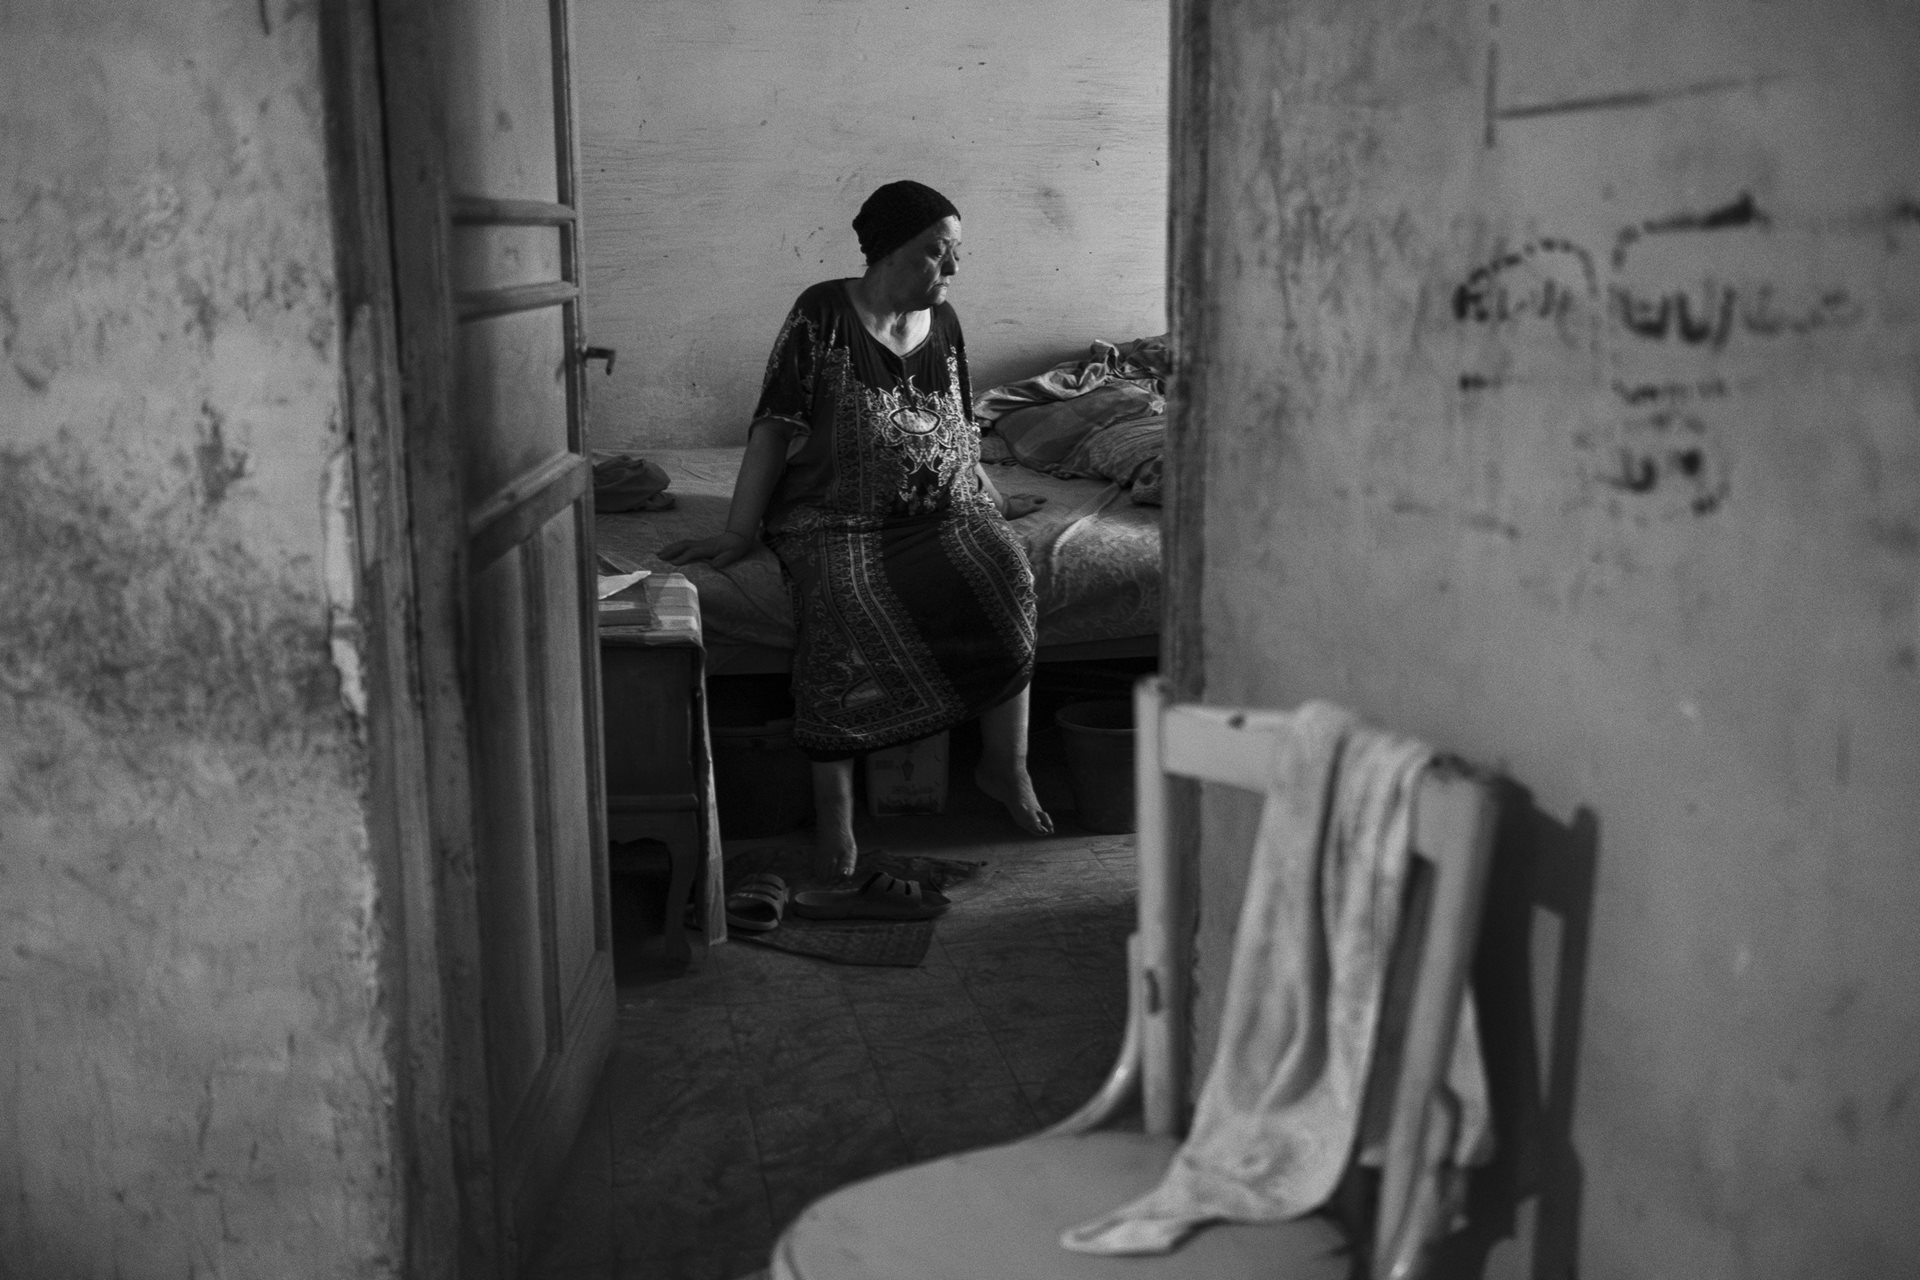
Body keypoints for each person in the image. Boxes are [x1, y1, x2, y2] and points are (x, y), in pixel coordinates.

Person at [662, 179, 1053, 879]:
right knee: (843, 598)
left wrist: (991, 500)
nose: (952, 269)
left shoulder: (948, 322)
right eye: (937, 253)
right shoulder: (823, 314)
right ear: (889, 253)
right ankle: (837, 814)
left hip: (947, 508)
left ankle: (1007, 766)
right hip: (835, 517)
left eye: (956, 253)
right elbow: (774, 429)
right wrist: (738, 531)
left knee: (1010, 572)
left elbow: (961, 428)